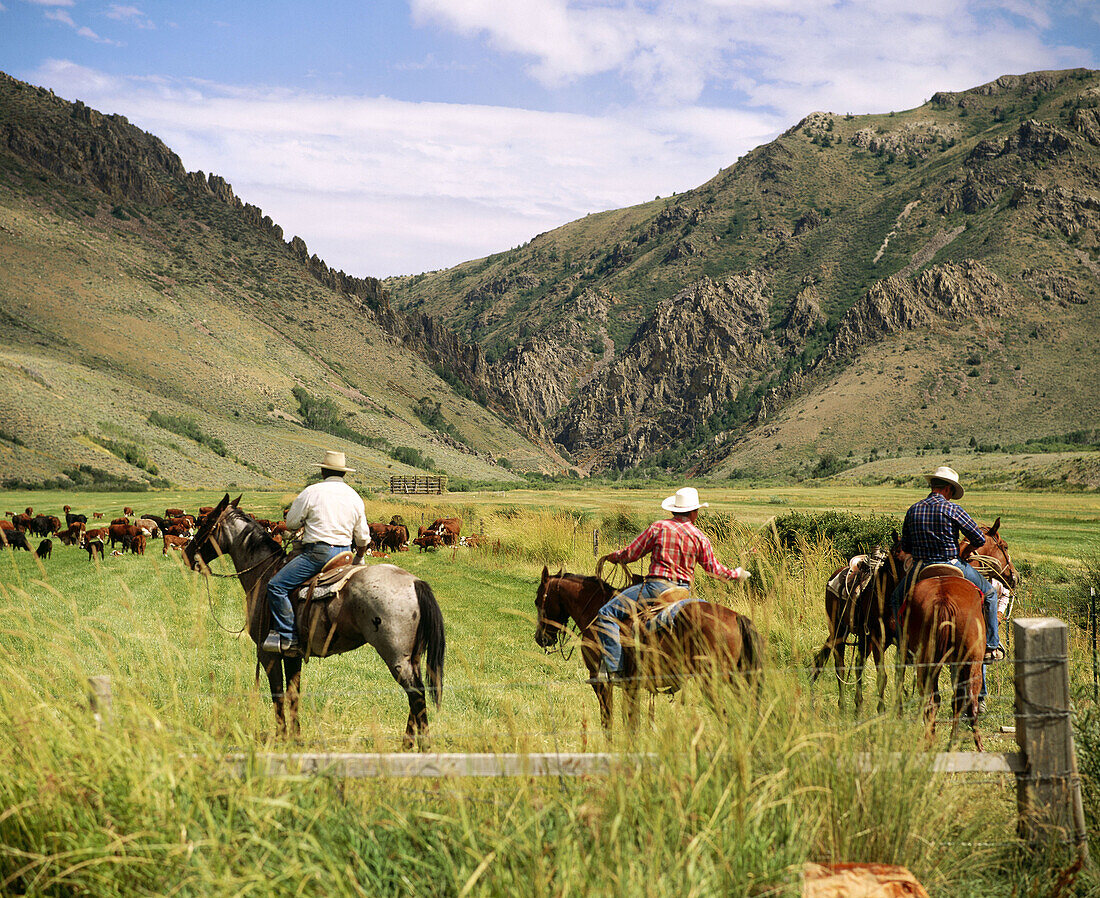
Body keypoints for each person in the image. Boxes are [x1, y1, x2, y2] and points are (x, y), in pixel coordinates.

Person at [592, 486, 750, 682]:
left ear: (674, 509)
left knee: (606, 613)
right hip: (682, 593)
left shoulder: (658, 527)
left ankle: (613, 669)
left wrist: (614, 557)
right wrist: (737, 573)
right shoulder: (700, 536)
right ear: (694, 512)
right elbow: (714, 570)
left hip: (655, 589)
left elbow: (632, 554)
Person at [262, 450, 371, 657]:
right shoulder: (354, 496)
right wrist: (358, 558)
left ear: (322, 471)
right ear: (344, 474)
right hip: (345, 556)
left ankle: (289, 637)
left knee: (276, 586)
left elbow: (291, 523)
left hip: (317, 555)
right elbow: (363, 538)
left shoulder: (312, 492)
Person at [890, 465, 1004, 663]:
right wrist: (967, 551)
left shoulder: (913, 509)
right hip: (952, 564)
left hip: (921, 568)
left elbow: (906, 545)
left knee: (895, 598)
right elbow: (979, 538)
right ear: (948, 489)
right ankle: (992, 645)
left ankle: (904, 647)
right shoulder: (953, 509)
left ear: (933, 486)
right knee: (991, 595)